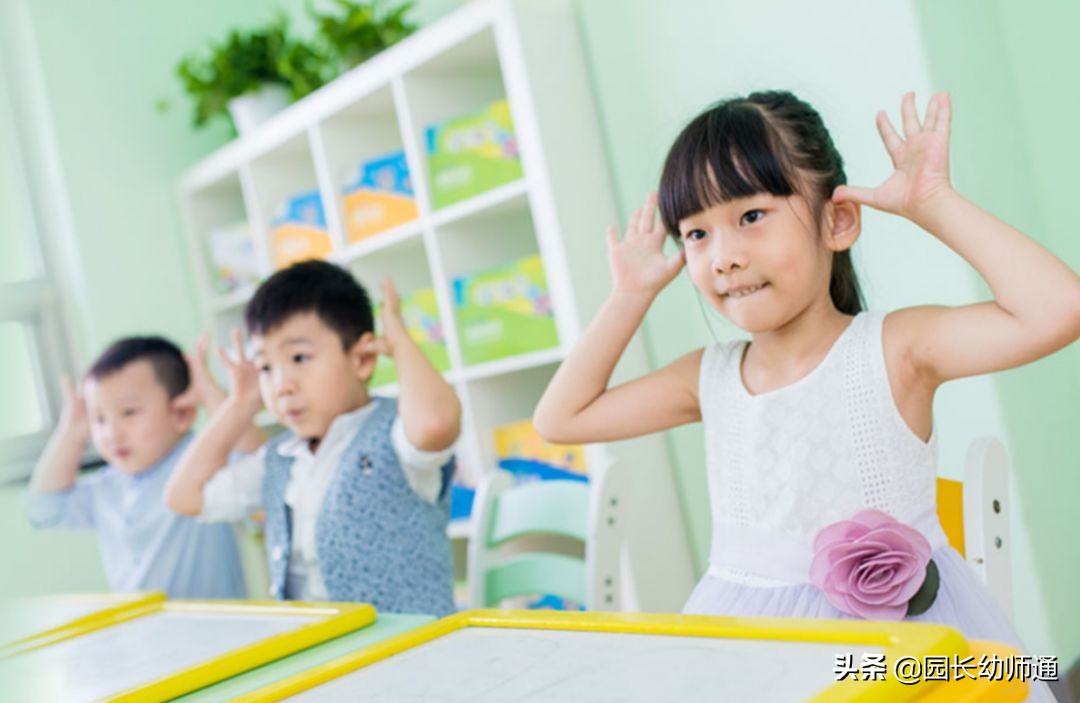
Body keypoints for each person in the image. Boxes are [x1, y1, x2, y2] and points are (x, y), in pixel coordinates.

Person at [534, 90, 1079, 698]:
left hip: (899, 658)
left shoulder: (895, 350)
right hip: (752, 655)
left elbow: (1058, 310)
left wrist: (934, 203)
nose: (724, 257)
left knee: (1019, 675)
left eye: (750, 217)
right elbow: (561, 417)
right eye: (695, 234)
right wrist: (629, 296)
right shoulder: (706, 378)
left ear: (836, 220)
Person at [166, 260, 461, 616]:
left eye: (299, 357)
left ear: (363, 359)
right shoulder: (279, 458)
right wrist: (240, 404)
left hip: (408, 650)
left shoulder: (396, 433)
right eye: (265, 367)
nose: (281, 385)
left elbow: (437, 423)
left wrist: (398, 342)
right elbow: (185, 497)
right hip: (319, 652)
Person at [26, 335, 256, 598]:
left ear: (182, 413)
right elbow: (43, 508)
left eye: (129, 412)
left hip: (217, 634)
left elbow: (256, 460)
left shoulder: (205, 464)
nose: (112, 434)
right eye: (99, 419)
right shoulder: (107, 486)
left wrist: (213, 395)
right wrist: (71, 431)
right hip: (139, 634)